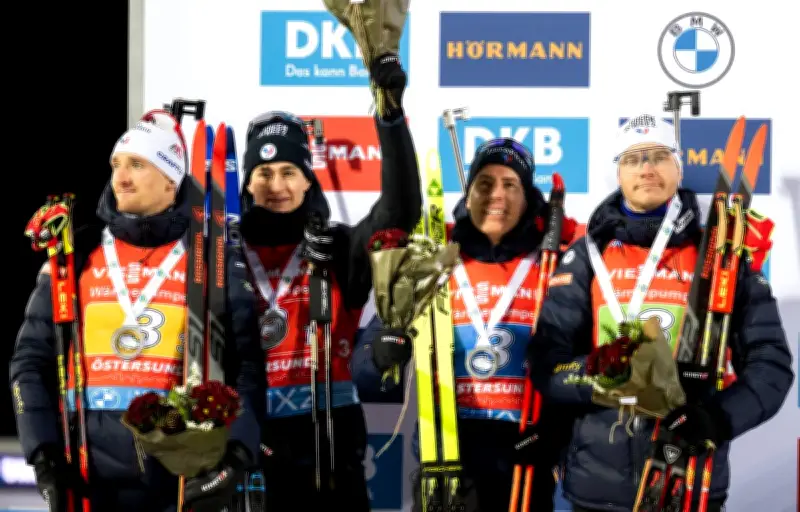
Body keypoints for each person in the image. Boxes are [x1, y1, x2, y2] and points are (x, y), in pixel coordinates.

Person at [527, 114, 794, 512]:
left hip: (689, 476)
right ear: (617, 174)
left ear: (678, 168)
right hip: (596, 483)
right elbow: (547, 364)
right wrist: (599, 373)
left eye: (659, 156)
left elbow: (771, 364)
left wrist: (716, 420)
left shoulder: (720, 259)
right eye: (633, 159)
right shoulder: (585, 256)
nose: (647, 168)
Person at [9, 111, 265, 512]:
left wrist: (235, 458)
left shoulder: (211, 256)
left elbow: (246, 368)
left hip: (179, 477)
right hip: (87, 475)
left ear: (170, 179)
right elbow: (29, 363)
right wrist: (44, 458)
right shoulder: (76, 255)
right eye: (116, 165)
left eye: (137, 164)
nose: (121, 177)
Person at [238, 53, 421, 510]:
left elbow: (398, 212)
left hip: (329, 442)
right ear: (246, 182)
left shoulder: (337, 246)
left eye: (288, 172)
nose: (274, 185)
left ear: (307, 182)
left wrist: (391, 117)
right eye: (262, 173)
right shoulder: (222, 256)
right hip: (248, 440)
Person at [366, 136, 577, 511]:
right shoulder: (433, 258)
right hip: (447, 455)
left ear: (528, 196)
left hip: (525, 456)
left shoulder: (558, 260)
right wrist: (382, 349)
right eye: (484, 183)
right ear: (467, 196)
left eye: (510, 184)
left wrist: (554, 431)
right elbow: (365, 370)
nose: (496, 194)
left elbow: (576, 356)